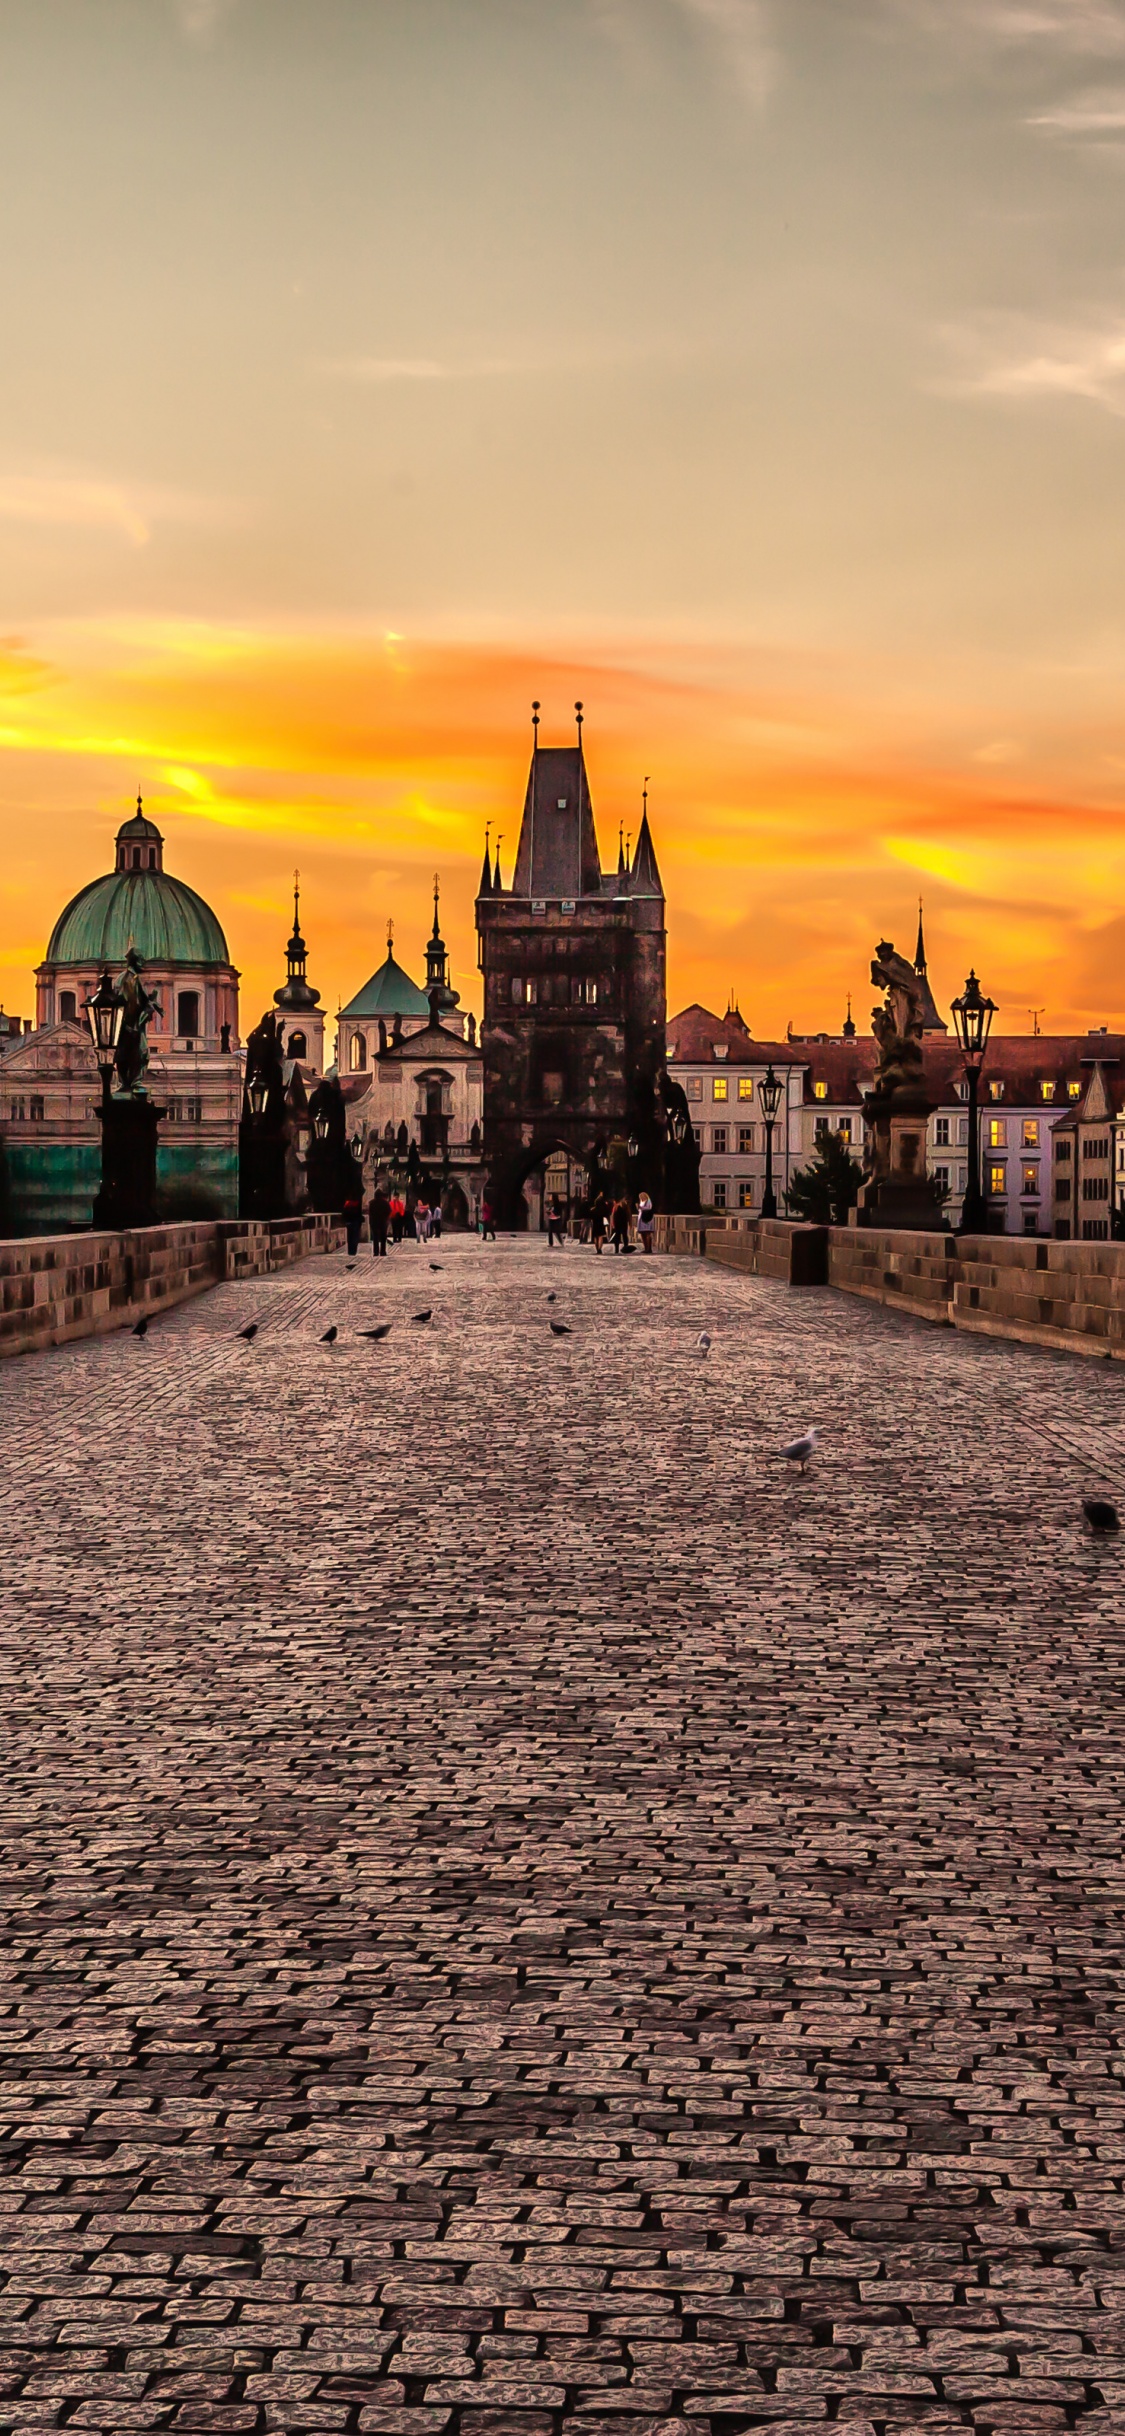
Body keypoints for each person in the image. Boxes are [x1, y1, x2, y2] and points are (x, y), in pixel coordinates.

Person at [369, 1185, 389, 1257]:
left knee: (375, 1237)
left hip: (374, 1222)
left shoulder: (372, 1203)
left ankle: (376, 1252)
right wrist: (385, 1218)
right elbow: (389, 1211)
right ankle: (383, 1251)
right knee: (383, 1237)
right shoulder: (385, 1203)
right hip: (383, 1222)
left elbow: (370, 1212)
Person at [343, 1188, 363, 1258]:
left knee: (349, 1236)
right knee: (355, 1237)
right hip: (356, 1222)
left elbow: (344, 1213)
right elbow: (359, 1214)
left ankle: (349, 1250)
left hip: (349, 1222)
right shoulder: (357, 1204)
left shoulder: (347, 1204)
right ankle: (354, 1250)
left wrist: (345, 1221)